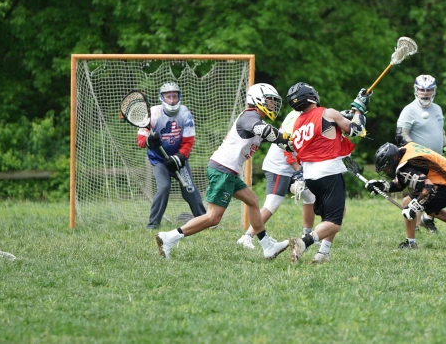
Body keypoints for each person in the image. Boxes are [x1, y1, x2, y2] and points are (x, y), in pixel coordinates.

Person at [155, 83, 291, 260]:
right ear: (258, 100)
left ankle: (267, 246)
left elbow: (272, 137)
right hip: (223, 169)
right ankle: (169, 237)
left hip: (228, 170)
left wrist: (289, 143)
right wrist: (285, 139)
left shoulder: (254, 118)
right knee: (213, 218)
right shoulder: (250, 116)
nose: (273, 105)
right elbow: (264, 130)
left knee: (252, 200)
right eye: (270, 101)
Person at [282, 82, 369, 264]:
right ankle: (303, 243)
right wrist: (360, 109)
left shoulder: (298, 122)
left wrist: (345, 116)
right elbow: (357, 129)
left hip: (311, 175)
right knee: (334, 222)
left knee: (335, 213)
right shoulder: (327, 112)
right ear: (312, 96)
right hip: (329, 172)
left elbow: (326, 132)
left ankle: (323, 253)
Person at [366, 141, 446, 250]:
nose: (387, 171)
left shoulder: (405, 167)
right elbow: (400, 184)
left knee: (407, 202)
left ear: (393, 160)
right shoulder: (406, 150)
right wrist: (381, 186)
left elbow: (430, 188)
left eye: (387, 167)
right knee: (430, 208)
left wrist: (414, 205)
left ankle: (410, 244)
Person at [236, 110, 316, 250]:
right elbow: (286, 146)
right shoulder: (296, 117)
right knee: (272, 204)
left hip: (291, 166)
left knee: (310, 197)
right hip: (280, 166)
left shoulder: (304, 115)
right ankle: (247, 237)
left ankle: (307, 236)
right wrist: (297, 170)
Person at [395, 74, 446, 234]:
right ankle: (415, 226)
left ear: (434, 90)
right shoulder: (409, 110)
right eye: (422, 89)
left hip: (437, 160)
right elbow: (401, 135)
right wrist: (418, 151)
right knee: (420, 192)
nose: (425, 93)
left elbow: (440, 132)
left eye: (429, 90)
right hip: (418, 161)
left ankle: (424, 220)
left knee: (436, 192)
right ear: (416, 90)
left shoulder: (437, 109)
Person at [138, 82, 206, 229]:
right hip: (159, 160)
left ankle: (204, 220)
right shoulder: (153, 113)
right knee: (164, 188)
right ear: (162, 98)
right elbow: (141, 139)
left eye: (174, 96)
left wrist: (180, 157)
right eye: (168, 97)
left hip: (178, 159)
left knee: (189, 188)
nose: (172, 100)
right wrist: (149, 141)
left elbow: (188, 141)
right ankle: (153, 224)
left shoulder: (185, 113)